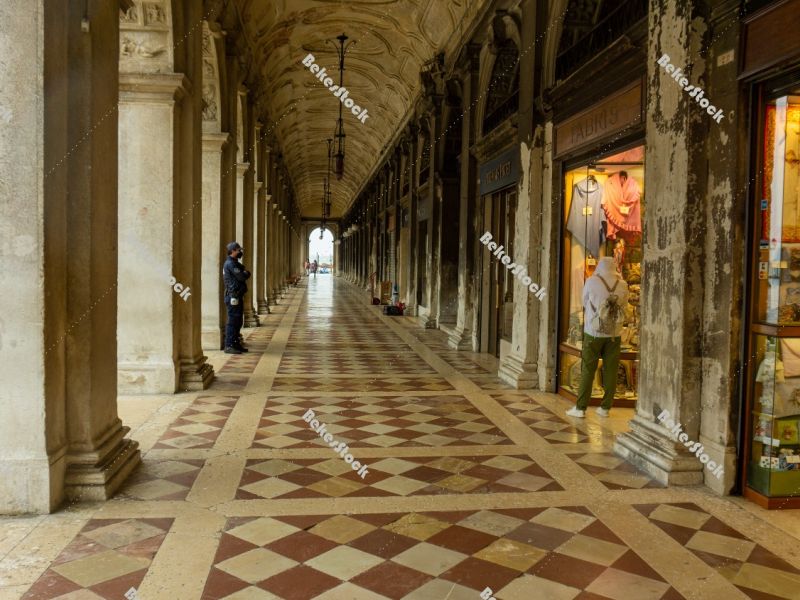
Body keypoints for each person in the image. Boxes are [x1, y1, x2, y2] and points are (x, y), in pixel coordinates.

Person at [567, 256, 629, 418]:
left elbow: (584, 301)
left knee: (588, 369)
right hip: (614, 334)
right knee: (611, 370)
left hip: (593, 332)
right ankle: (605, 408)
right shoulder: (622, 285)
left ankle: (580, 408)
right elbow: (624, 305)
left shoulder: (591, 282)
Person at [222, 241, 251, 354]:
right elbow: (242, 276)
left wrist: (245, 272)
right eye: (239, 250)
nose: (240, 252)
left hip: (237, 296)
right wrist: (245, 273)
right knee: (233, 321)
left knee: (238, 321)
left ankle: (235, 343)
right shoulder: (230, 264)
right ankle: (229, 345)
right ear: (233, 251)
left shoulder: (234, 263)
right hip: (233, 296)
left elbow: (244, 272)